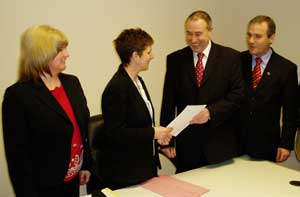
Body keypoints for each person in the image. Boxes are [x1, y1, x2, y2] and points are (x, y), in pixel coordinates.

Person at [2, 25, 91, 197]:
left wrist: (86, 163)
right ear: (41, 53)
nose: (67, 54)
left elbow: (81, 129)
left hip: (72, 180)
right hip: (44, 186)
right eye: (60, 49)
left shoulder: (72, 83)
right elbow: (18, 158)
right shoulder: (18, 95)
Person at [160, 10, 244, 173]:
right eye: (189, 34)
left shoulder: (230, 57)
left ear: (210, 31)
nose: (193, 40)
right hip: (187, 145)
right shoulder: (175, 59)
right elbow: (168, 101)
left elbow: (237, 95)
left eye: (198, 34)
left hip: (220, 143)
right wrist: (167, 139)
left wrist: (210, 112)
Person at [98, 28, 172, 189]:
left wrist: (158, 137)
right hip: (127, 174)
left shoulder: (138, 81)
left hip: (145, 168)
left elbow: (141, 125)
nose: (152, 56)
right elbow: (116, 134)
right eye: (148, 52)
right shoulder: (116, 88)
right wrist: (153, 132)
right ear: (135, 56)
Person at [239, 15, 298, 162]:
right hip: (235, 142)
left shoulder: (286, 69)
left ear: (271, 38)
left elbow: (290, 111)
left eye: (257, 36)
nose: (251, 41)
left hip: (266, 144)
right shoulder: (237, 61)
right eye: (249, 35)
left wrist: (286, 144)